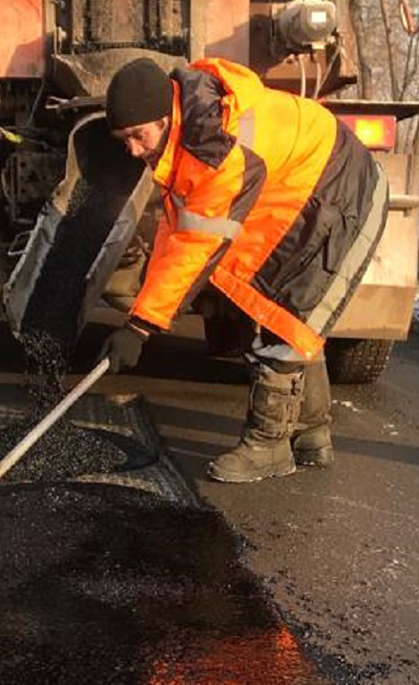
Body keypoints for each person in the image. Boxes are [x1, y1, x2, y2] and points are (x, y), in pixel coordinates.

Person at [98, 58, 388, 482]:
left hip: (340, 194)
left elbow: (196, 245)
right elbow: (178, 234)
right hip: (306, 187)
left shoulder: (210, 145)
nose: (134, 150)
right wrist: (141, 315)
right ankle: (310, 433)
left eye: (138, 136)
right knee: (277, 310)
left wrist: (141, 328)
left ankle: (269, 446)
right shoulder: (189, 128)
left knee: (279, 313)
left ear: (164, 119)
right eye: (123, 141)